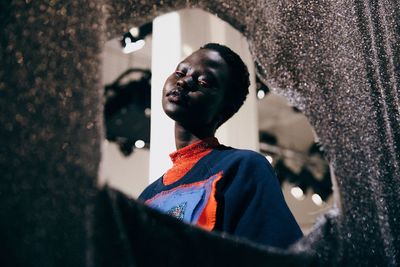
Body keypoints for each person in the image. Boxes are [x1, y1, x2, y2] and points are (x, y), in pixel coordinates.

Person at [138, 43, 303, 248]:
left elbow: (278, 254)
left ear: (224, 109)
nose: (185, 81)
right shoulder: (147, 196)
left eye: (205, 82)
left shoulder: (242, 168)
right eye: (180, 71)